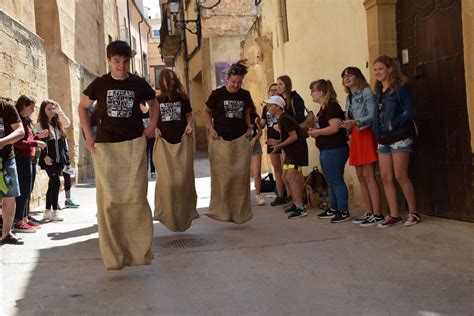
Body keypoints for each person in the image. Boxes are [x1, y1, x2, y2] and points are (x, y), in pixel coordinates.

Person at [78, 40, 158, 270]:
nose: (121, 66)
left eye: (125, 61)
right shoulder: (100, 84)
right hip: (106, 146)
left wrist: (151, 126)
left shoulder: (137, 83)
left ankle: (138, 253)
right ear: (109, 60)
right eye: (116, 61)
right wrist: (88, 136)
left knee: (136, 199)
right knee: (110, 202)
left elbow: (154, 104)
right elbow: (83, 107)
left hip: (134, 144)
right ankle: (115, 256)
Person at [372, 55, 420, 228]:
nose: (377, 72)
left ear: (390, 69)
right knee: (385, 177)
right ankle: (394, 215)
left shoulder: (400, 88)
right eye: (375, 69)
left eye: (381, 68)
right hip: (382, 139)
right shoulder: (378, 91)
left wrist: (395, 123)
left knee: (401, 176)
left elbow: (410, 111)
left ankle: (413, 213)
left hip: (399, 137)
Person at [203, 60, 254, 224]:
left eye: (239, 82)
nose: (236, 85)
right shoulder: (217, 94)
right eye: (233, 82)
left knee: (240, 178)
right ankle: (221, 212)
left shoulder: (245, 95)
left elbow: (247, 112)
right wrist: (211, 129)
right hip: (221, 140)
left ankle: (240, 214)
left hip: (240, 140)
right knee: (223, 178)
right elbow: (206, 111)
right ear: (227, 79)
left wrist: (249, 127)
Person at [153, 69, 199, 232]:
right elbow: (152, 119)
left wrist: (188, 125)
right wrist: (155, 130)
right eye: (167, 80)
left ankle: (185, 214)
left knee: (182, 181)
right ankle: (166, 214)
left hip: (182, 142)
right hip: (164, 144)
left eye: (172, 80)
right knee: (168, 182)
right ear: (161, 82)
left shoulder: (182, 98)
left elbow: (189, 116)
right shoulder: (157, 100)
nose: (170, 83)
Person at [340, 67, 384, 227]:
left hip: (365, 134)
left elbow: (373, 116)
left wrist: (356, 122)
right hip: (355, 136)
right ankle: (369, 211)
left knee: (369, 175)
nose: (346, 78)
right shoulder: (348, 97)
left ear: (358, 76)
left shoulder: (366, 92)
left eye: (350, 74)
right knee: (360, 176)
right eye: (344, 76)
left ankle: (378, 213)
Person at [308, 79, 351, 223]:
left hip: (335, 149)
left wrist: (318, 132)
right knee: (330, 181)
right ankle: (333, 208)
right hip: (326, 149)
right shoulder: (324, 108)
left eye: (312, 91)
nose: (311, 94)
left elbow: (335, 128)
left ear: (320, 93)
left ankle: (344, 211)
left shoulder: (332, 106)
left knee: (336, 180)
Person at [265, 95, 308, 219]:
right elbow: (288, 137)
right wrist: (276, 142)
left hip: (296, 151)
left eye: (271, 105)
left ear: (278, 107)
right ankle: (296, 203)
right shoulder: (281, 118)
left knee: (291, 176)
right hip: (291, 151)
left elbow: (294, 137)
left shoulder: (284, 119)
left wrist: (279, 146)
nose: (268, 107)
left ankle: (300, 207)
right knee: (285, 176)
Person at [13, 95, 47, 233]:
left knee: (28, 189)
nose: (33, 110)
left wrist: (38, 137)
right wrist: (36, 142)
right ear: (23, 106)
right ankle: (18, 220)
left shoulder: (26, 121)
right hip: (21, 159)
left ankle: (25, 218)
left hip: (29, 158)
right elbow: (17, 142)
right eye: (31, 107)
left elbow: (28, 138)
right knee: (23, 190)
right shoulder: (17, 121)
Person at [36, 99, 70, 222]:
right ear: (43, 111)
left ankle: (47, 211)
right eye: (48, 109)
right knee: (55, 181)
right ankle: (55, 212)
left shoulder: (58, 123)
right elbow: (38, 143)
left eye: (53, 108)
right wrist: (44, 155)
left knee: (52, 184)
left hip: (60, 159)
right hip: (48, 159)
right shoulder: (40, 125)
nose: (51, 111)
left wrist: (59, 110)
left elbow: (68, 124)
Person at [275, 75, 306, 208]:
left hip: (295, 141)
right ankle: (295, 200)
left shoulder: (295, 99)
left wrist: (286, 124)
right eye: (277, 84)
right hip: (288, 142)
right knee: (286, 176)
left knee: (294, 175)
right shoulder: (282, 100)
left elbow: (298, 118)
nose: (278, 87)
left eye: (281, 84)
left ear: (287, 84)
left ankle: (300, 202)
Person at [0, 98, 25, 245]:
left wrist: (3, 142)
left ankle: (6, 234)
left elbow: (20, 131)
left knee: (10, 198)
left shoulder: (6, 107)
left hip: (7, 162)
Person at [259, 84, 286, 206]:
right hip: (271, 140)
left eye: (276, 90)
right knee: (277, 169)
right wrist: (257, 121)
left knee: (286, 168)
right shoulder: (266, 108)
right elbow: (262, 124)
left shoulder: (282, 106)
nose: (273, 92)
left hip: (283, 140)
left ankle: (290, 195)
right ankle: (280, 195)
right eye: (271, 90)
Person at [250, 103, 264, 206]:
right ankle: (243, 196)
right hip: (242, 145)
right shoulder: (238, 116)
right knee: (243, 172)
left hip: (255, 144)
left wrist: (254, 139)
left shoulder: (255, 116)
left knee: (257, 171)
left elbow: (260, 131)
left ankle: (258, 195)